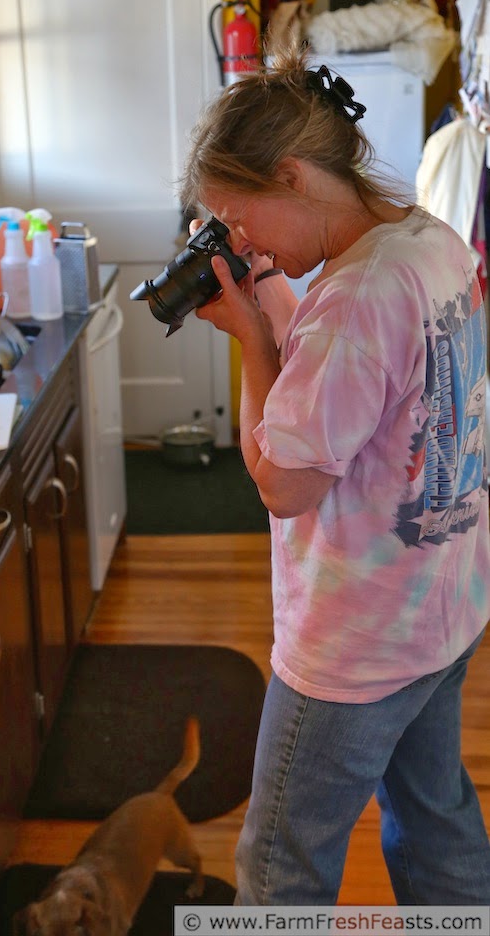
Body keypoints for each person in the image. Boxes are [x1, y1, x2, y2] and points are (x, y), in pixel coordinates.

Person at [180, 44, 490, 905]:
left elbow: (285, 480)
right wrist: (271, 304)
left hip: (355, 642)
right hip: (440, 605)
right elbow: (360, 391)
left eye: (238, 220)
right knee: (435, 817)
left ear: (291, 176)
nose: (238, 242)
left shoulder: (353, 302)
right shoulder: (426, 242)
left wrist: (248, 340)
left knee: (280, 863)